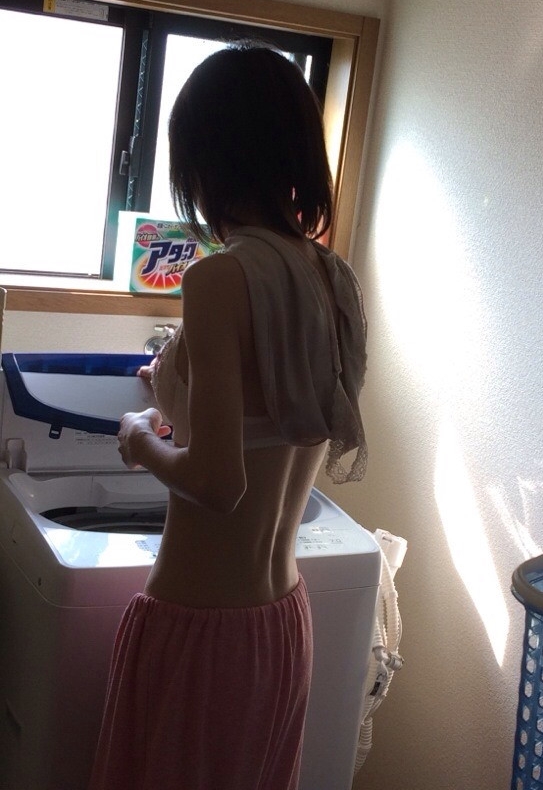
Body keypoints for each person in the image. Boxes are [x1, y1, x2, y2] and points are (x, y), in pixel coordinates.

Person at [89, 43, 367, 790]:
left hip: (200, 625)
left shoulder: (218, 277)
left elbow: (218, 483)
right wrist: (172, 393)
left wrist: (138, 437)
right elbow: (269, 424)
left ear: (206, 161)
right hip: (281, 624)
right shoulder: (331, 277)